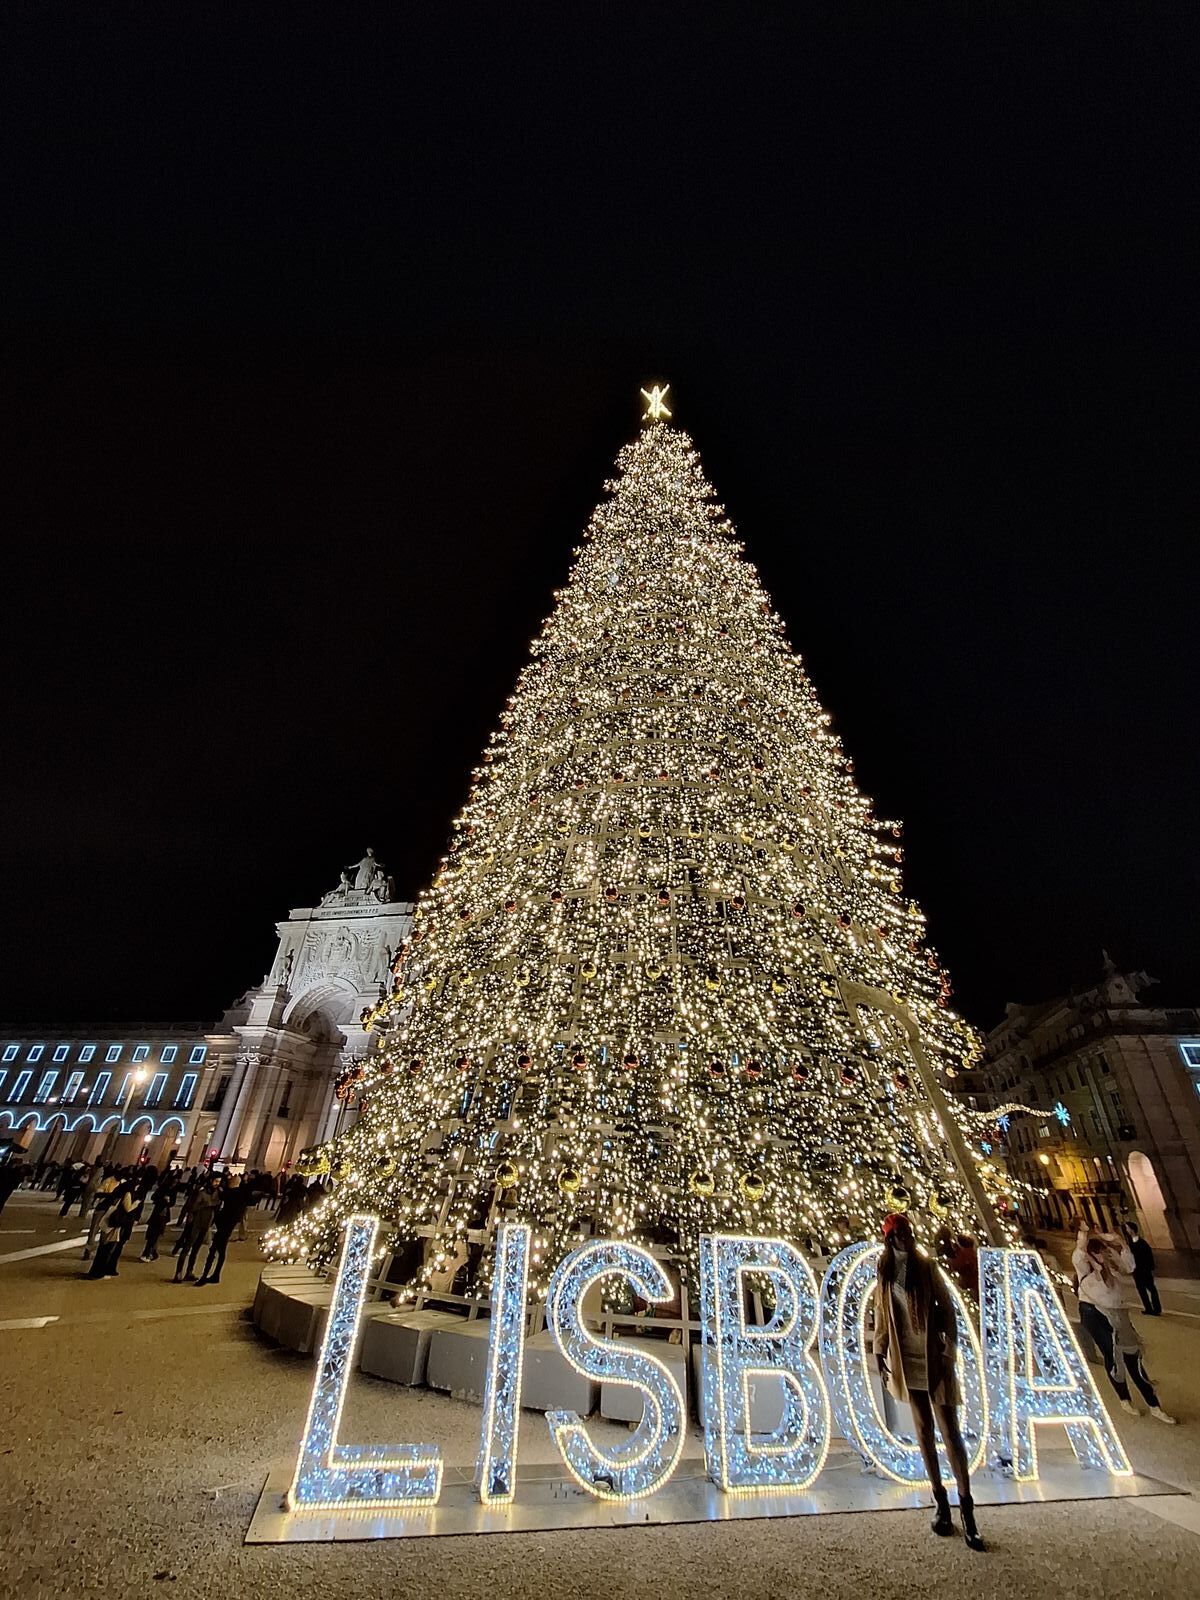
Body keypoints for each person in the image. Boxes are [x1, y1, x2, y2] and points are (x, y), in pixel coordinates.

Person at [872, 1212, 984, 1550]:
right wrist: (880, 1349)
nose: (905, 1238)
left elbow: (947, 1309)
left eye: (908, 1232)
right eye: (899, 1234)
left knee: (950, 1431)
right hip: (906, 1357)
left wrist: (949, 1348)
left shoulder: (927, 1267)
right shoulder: (884, 1270)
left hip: (933, 1355)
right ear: (890, 1239)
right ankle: (941, 1502)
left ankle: (968, 1509)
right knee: (923, 1430)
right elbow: (882, 1312)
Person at [1076, 1235, 1176, 1422]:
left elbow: (1129, 1266)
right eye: (1101, 1252)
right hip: (1094, 1313)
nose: (1105, 1255)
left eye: (1105, 1251)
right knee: (1113, 1354)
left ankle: (1154, 1405)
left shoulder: (1113, 1268)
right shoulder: (1085, 1268)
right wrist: (1084, 1235)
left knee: (1133, 1356)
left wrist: (1121, 1243)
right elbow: (1079, 1254)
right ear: (1093, 1254)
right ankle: (1124, 1399)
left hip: (1118, 1313)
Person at [196, 1175, 249, 1286]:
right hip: (230, 1224)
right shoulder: (242, 1194)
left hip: (225, 1223)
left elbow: (222, 1196)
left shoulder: (231, 1193)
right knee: (221, 1250)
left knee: (214, 1250)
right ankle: (215, 1274)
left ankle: (205, 1276)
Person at [86, 1182, 137, 1278]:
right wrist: (136, 1204)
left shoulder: (115, 1195)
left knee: (103, 1248)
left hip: (106, 1223)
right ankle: (98, 1273)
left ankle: (95, 1272)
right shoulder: (127, 1194)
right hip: (114, 1225)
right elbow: (127, 1208)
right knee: (107, 1249)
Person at [173, 1181, 217, 1282]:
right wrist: (206, 1204)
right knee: (187, 1248)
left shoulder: (216, 1194)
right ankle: (178, 1273)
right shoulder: (201, 1192)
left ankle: (189, 1272)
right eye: (215, 1181)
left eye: (219, 1181)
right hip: (195, 1223)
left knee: (196, 1250)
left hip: (205, 1224)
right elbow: (192, 1207)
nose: (217, 1184)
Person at [1124, 1223, 1161, 1316]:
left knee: (1151, 1288)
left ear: (1132, 1229)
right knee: (1141, 1290)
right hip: (1136, 1270)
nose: (1126, 1230)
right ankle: (1148, 1308)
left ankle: (1156, 1309)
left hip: (1144, 1269)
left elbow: (1148, 1256)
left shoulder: (1142, 1243)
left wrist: (1149, 1267)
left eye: (1127, 1228)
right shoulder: (1129, 1242)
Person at [139, 1183, 173, 1262]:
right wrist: (165, 1200)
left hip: (160, 1217)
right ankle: (150, 1253)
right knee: (153, 1236)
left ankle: (150, 1253)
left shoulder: (170, 1192)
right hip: (158, 1216)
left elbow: (171, 1203)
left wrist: (167, 1201)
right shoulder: (162, 1192)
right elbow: (154, 1198)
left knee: (154, 1236)